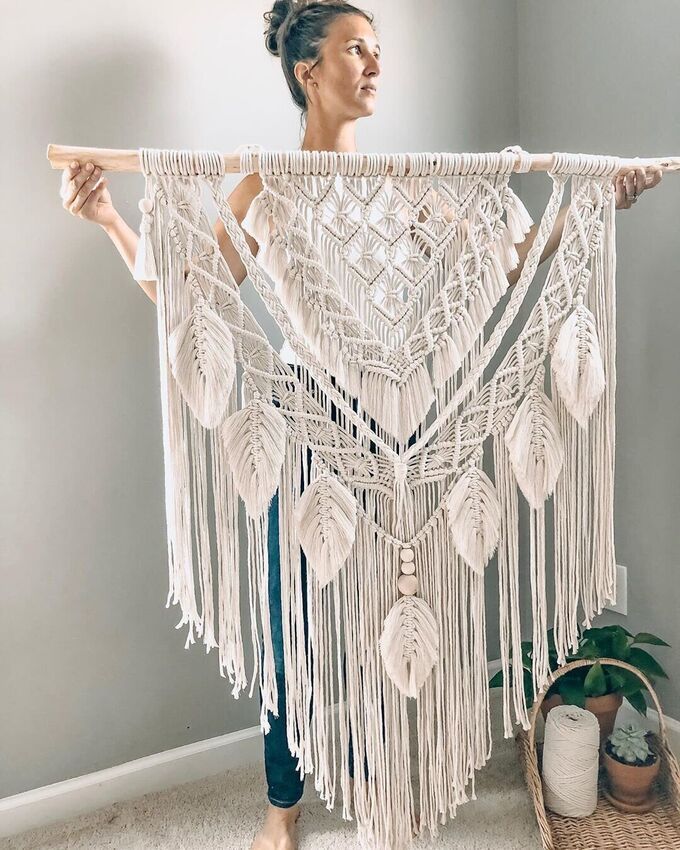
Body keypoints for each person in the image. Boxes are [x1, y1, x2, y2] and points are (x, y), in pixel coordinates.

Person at [58, 3, 663, 848]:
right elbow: (187, 298)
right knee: (292, 624)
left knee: (389, 609)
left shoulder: (405, 185)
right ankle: (282, 801)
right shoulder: (264, 184)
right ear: (308, 70)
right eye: (356, 49)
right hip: (305, 424)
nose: (375, 64)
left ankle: (376, 769)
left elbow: (509, 265)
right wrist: (110, 220)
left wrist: (590, 209)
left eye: (379, 50)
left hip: (400, 430)